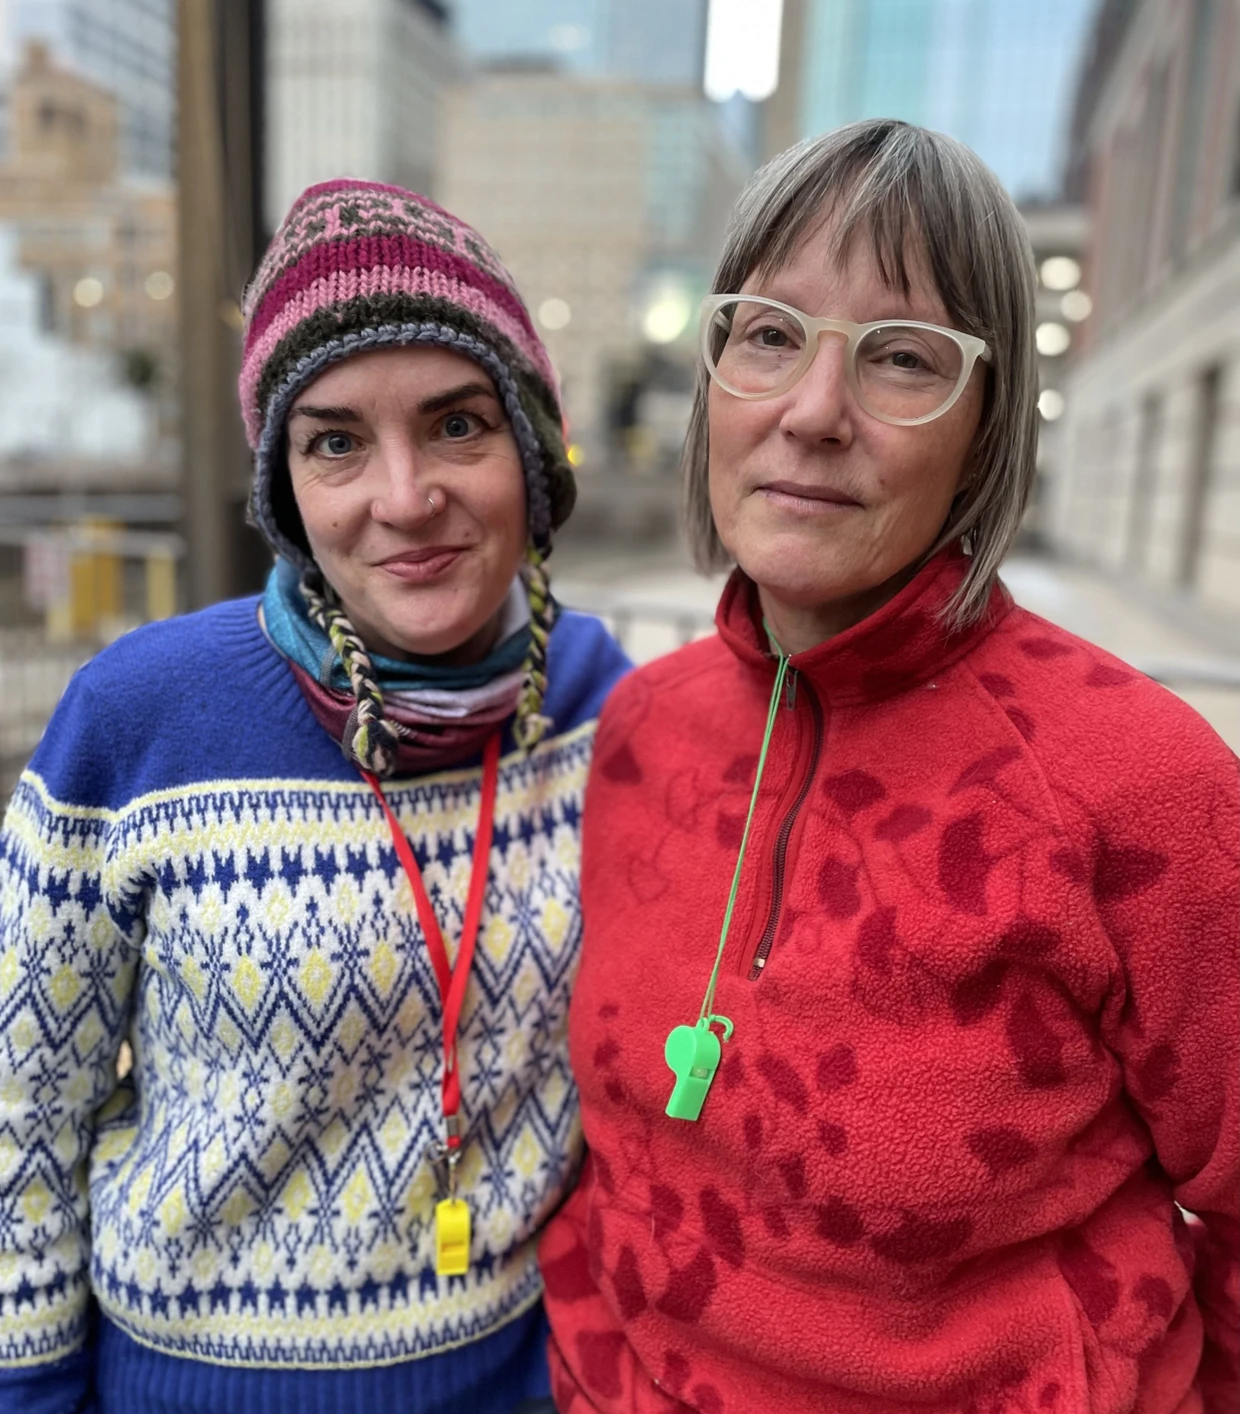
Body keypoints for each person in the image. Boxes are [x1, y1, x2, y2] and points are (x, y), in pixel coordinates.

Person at [540, 120, 1239, 1413]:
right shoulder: (641, 729)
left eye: (903, 356)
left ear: (986, 430)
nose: (813, 412)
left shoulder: (1143, 786)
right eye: (768, 334)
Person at [0, 179, 627, 1413]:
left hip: (524, 1383)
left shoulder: (606, 705)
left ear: (532, 450)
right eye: (335, 441)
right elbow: (20, 1111)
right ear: (285, 488)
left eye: (457, 424)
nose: (404, 496)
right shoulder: (140, 717)